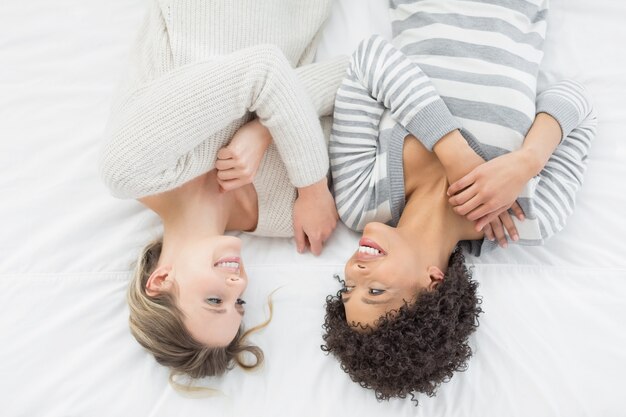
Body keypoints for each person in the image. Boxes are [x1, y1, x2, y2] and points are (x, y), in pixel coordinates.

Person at [321, 0, 597, 404]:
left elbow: (369, 59)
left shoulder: (358, 199)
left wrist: (454, 152)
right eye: (374, 290)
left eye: (348, 287)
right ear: (432, 283)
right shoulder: (529, 217)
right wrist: (526, 161)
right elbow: (577, 102)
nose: (355, 270)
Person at [99, 0, 348, 380]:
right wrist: (264, 129)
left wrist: (313, 187)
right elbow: (352, 75)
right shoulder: (286, 215)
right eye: (239, 302)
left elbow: (262, 70)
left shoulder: (131, 168)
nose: (238, 284)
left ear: (161, 280)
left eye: (215, 300)